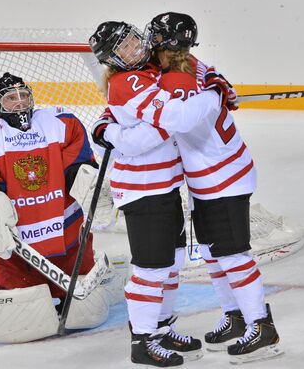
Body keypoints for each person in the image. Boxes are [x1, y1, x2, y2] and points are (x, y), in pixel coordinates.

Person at [88, 21, 233, 367]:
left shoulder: (149, 66)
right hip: (142, 190)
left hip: (166, 185)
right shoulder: (127, 80)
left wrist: (213, 82)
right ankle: (142, 341)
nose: (135, 47)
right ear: (113, 58)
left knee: (171, 265)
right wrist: (207, 100)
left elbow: (186, 73)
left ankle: (162, 327)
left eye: (134, 39)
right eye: (123, 47)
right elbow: (154, 132)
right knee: (150, 270)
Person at [141, 12, 282, 363]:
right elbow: (209, 75)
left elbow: (161, 120)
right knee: (211, 252)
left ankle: (261, 327)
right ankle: (235, 317)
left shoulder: (177, 78)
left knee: (233, 255)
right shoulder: (189, 62)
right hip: (209, 176)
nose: (147, 43)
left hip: (224, 177)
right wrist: (220, 84)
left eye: (153, 37)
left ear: (164, 43)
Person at [0, 72, 102, 303]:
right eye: (10, 98)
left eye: (24, 95)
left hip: (64, 229)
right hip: (17, 240)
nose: (20, 102)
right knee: (21, 296)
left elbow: (77, 164)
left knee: (76, 288)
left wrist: (90, 183)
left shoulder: (60, 122)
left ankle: (70, 291)